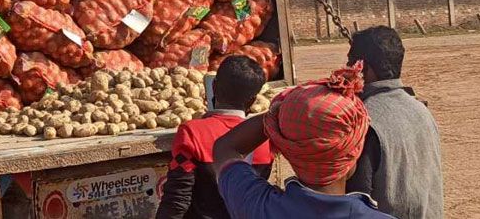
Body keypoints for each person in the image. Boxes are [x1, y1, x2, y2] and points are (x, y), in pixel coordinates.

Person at [212, 63, 394, 218]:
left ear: (287, 149)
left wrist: (280, 112)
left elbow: (226, 148)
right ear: (355, 148)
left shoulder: (258, 207)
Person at [156, 56, 273, 219]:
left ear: (213, 87)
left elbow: (178, 197)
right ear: (252, 101)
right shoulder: (263, 139)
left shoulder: (192, 132)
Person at [346, 26, 444, 218]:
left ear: (365, 68)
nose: (347, 69)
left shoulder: (365, 121)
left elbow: (356, 203)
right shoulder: (422, 111)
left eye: (350, 63)